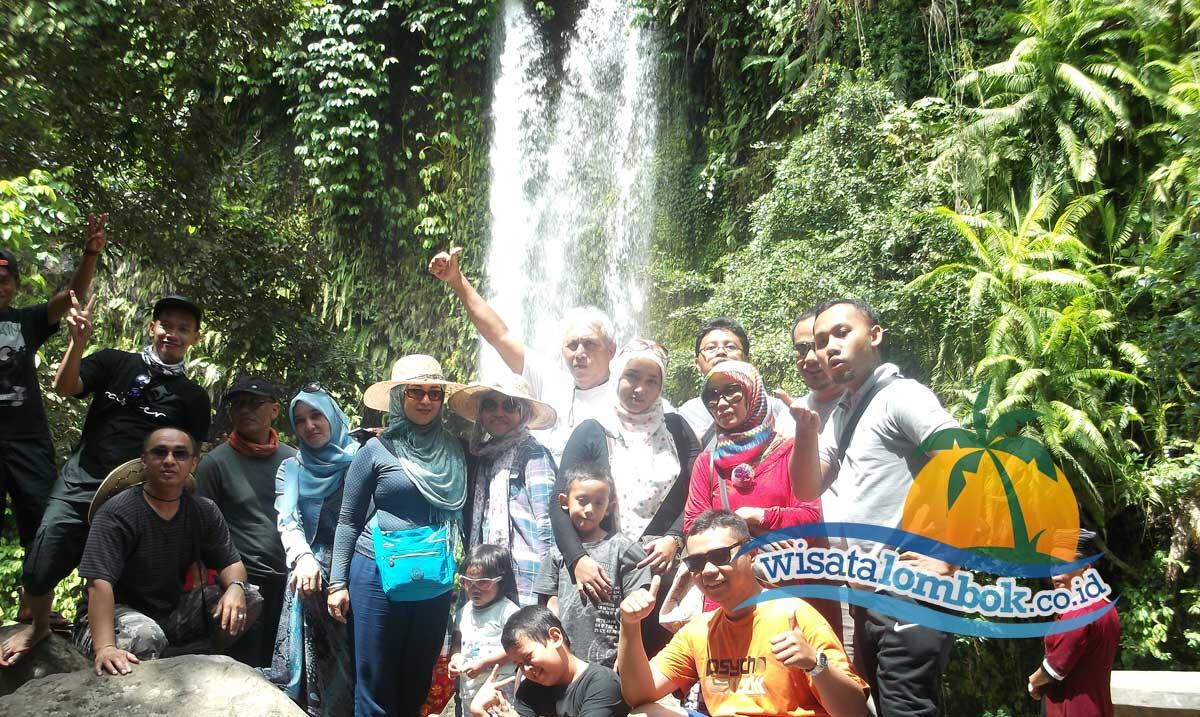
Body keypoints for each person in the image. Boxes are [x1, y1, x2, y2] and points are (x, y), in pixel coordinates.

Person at [0, 292, 211, 666]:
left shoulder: (193, 396)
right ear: (152, 327)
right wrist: (77, 343)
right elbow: (64, 387)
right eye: (166, 325)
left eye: (183, 329)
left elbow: (189, 453)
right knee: (46, 549)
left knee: (120, 569)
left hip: (137, 491)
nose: (172, 334)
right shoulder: (116, 361)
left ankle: (117, 641)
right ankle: (39, 625)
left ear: (194, 337)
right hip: (82, 478)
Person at [786, 298, 959, 717]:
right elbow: (807, 487)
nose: (829, 348)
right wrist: (805, 432)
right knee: (885, 707)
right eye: (821, 340)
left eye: (842, 333)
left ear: (875, 335)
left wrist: (949, 556)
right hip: (866, 594)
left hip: (906, 589)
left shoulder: (902, 396)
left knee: (906, 710)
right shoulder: (843, 412)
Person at [617, 510, 869, 717]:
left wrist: (815, 664)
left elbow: (855, 712)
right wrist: (629, 625)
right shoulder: (699, 630)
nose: (707, 570)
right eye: (695, 563)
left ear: (751, 553)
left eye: (719, 556)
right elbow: (640, 695)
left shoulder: (793, 614)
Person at [330, 354, 467, 717]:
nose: (425, 401)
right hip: (376, 572)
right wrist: (336, 583)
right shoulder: (375, 450)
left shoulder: (455, 450)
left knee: (418, 675)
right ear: (398, 397)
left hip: (433, 577)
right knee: (375, 677)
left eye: (434, 394)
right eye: (415, 392)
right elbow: (347, 519)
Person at [73, 427, 262, 676]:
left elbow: (231, 563)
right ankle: (154, 660)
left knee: (249, 598)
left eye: (180, 454)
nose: (169, 460)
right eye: (159, 452)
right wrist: (106, 646)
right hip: (113, 614)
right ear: (144, 459)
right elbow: (99, 584)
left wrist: (236, 587)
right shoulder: (117, 513)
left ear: (193, 462)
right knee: (146, 637)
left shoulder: (203, 510)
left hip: (169, 612)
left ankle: (198, 658)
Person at [550, 339, 698, 655]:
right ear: (617, 375)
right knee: (601, 659)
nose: (639, 388)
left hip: (662, 568)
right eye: (631, 376)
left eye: (651, 381)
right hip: (601, 571)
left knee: (659, 660)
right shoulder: (592, 429)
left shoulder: (676, 429)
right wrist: (578, 560)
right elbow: (559, 502)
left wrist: (675, 538)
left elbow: (699, 489)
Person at [428, 246, 617, 460]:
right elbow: (499, 335)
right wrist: (456, 281)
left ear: (611, 350)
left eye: (590, 344)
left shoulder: (628, 399)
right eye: (572, 345)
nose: (579, 353)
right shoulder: (553, 381)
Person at [0, 214, 106, 553]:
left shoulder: (25, 321)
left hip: (26, 440)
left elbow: (72, 294)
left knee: (42, 532)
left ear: (15, 284)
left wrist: (90, 254)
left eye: (4, 279)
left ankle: (35, 606)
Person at [262, 385, 358, 716]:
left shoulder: (361, 460)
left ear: (332, 416)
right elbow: (288, 521)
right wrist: (303, 557)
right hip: (311, 571)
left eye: (316, 415)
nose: (309, 426)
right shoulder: (292, 469)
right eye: (300, 420)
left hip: (358, 568)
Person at [196, 375, 298, 668]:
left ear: (275, 410)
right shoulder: (215, 464)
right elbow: (203, 532)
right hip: (242, 587)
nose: (246, 410)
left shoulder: (293, 461)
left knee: (284, 668)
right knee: (244, 667)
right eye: (238, 404)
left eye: (255, 403)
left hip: (289, 583)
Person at [449, 375, 558, 606]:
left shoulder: (534, 454)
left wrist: (552, 586)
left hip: (524, 580)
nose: (499, 412)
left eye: (509, 405)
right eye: (490, 405)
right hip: (486, 579)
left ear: (523, 413)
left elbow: (549, 523)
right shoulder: (484, 456)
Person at [533, 460, 651, 668]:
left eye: (599, 503)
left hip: (610, 660)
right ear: (564, 501)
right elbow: (548, 604)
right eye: (582, 500)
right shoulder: (556, 553)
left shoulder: (624, 550)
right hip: (565, 660)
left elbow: (636, 608)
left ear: (609, 507)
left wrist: (626, 653)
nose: (590, 509)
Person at [469, 605, 629, 717]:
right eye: (518, 664)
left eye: (528, 658)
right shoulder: (529, 690)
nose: (526, 669)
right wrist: (479, 712)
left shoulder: (602, 684)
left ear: (555, 637)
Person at [1027, 529, 1120, 717]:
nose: (1056, 575)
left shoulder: (1078, 614)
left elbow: (1054, 668)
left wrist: (1033, 682)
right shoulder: (1107, 607)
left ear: (1086, 568)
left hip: (1071, 709)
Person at [676, 318, 795, 449]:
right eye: (710, 348)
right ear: (697, 364)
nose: (721, 352)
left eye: (730, 347)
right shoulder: (686, 415)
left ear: (746, 360)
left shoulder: (776, 409)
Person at [450, 544, 522, 715]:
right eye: (466, 582)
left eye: (483, 583)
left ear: (501, 581)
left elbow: (518, 647)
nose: (474, 589)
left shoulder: (508, 611)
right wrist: (455, 658)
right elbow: (457, 643)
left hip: (497, 693)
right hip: (468, 691)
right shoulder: (463, 612)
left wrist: (485, 663)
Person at [789, 308, 843, 428]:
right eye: (802, 349)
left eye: (820, 344)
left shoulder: (869, 406)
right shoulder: (788, 418)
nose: (810, 358)